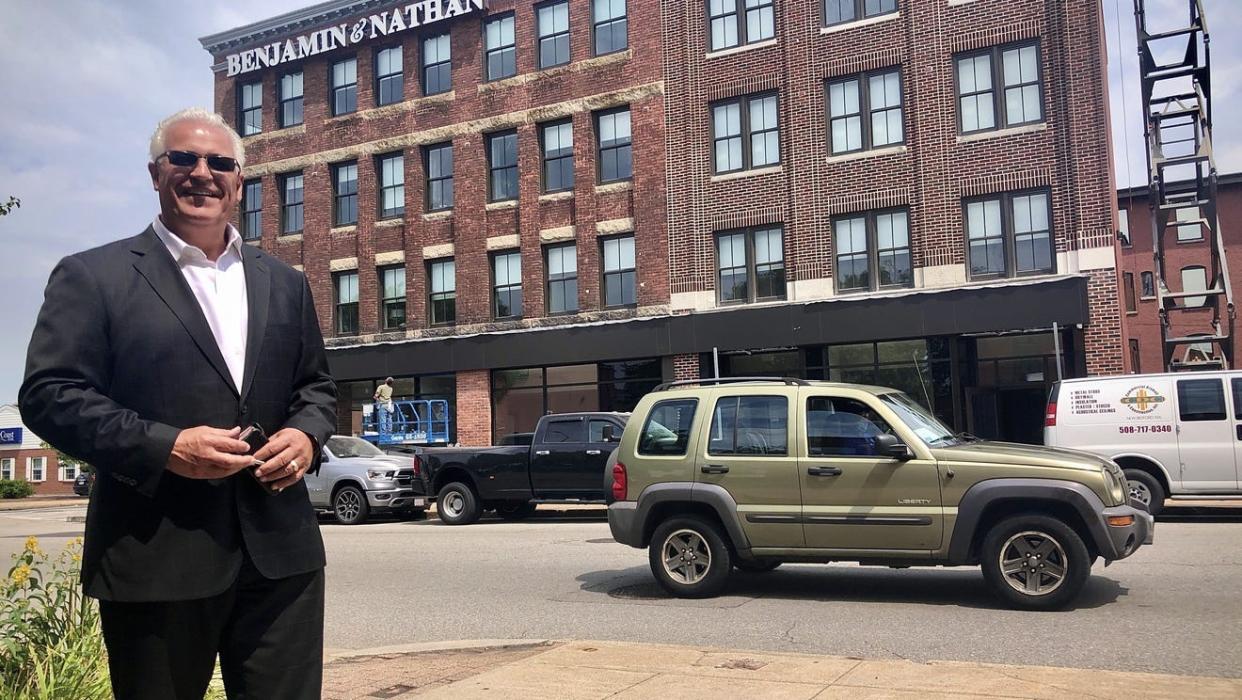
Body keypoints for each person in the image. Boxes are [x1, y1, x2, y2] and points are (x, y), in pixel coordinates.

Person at [18, 107, 336, 700]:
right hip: (155, 554)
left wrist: (306, 436)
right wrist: (165, 447)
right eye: (183, 159)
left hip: (280, 555)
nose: (201, 173)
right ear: (155, 173)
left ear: (239, 181)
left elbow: (315, 389)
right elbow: (49, 394)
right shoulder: (94, 276)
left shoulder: (286, 282)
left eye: (220, 163)